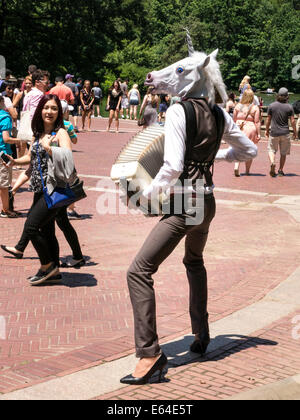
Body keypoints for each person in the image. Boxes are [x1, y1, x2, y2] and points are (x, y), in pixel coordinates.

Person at [119, 39, 257, 385]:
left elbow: (172, 166)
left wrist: (143, 195)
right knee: (194, 262)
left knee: (138, 271)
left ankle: (149, 355)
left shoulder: (180, 110)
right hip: (207, 202)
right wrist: (218, 158)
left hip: (186, 202)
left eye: (179, 72)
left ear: (193, 77)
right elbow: (250, 149)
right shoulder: (219, 112)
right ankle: (202, 334)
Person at [2, 94, 77, 285]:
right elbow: (31, 159)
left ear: (59, 112)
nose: (49, 112)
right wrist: (14, 161)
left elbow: (68, 160)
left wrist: (50, 149)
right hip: (39, 189)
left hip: (55, 189)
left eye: (53, 108)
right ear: (40, 110)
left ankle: (47, 266)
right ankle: (56, 272)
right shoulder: (38, 133)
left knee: (31, 227)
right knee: (47, 231)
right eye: (46, 108)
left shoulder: (61, 133)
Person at [266, 87, 297, 177]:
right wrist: (295, 132)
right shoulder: (289, 107)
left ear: (278, 95)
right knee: (283, 153)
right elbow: (293, 121)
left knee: (271, 150)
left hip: (274, 132)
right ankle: (280, 170)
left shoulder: (271, 105)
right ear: (287, 96)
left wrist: (267, 130)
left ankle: (272, 162)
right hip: (285, 133)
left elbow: (268, 120)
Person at [233, 89, 261, 176]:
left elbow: (234, 119)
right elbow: (257, 122)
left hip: (239, 127)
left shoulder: (238, 106)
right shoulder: (254, 107)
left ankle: (237, 166)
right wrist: (259, 133)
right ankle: (247, 171)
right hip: (250, 128)